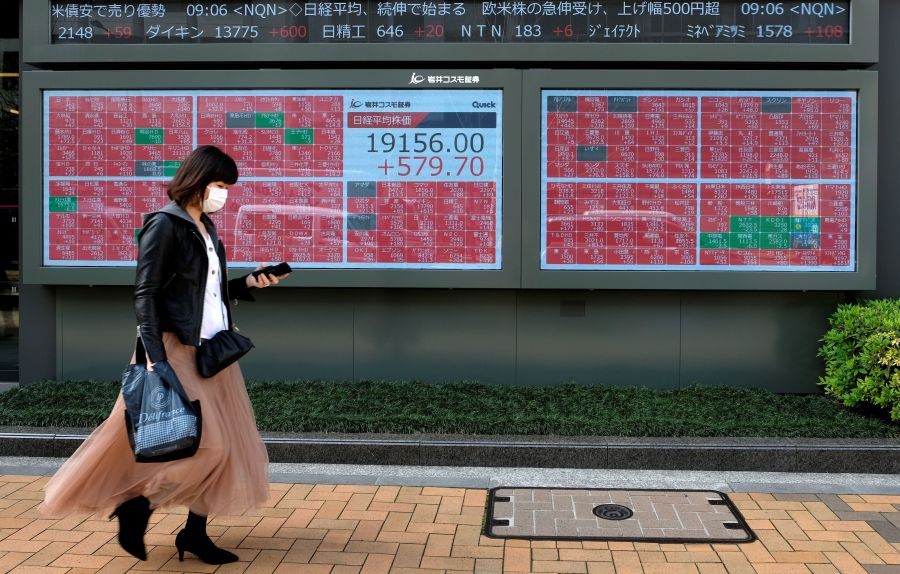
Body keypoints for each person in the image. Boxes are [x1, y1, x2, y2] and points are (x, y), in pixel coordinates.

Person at [41, 145, 287, 565]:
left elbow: (201, 294)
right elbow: (146, 294)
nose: (224, 193)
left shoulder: (205, 226)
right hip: (173, 350)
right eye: (220, 184)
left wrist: (248, 284)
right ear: (199, 179)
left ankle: (194, 534)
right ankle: (139, 505)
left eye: (228, 187)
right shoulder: (165, 224)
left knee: (223, 448)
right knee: (209, 446)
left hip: (212, 350)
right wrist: (155, 357)